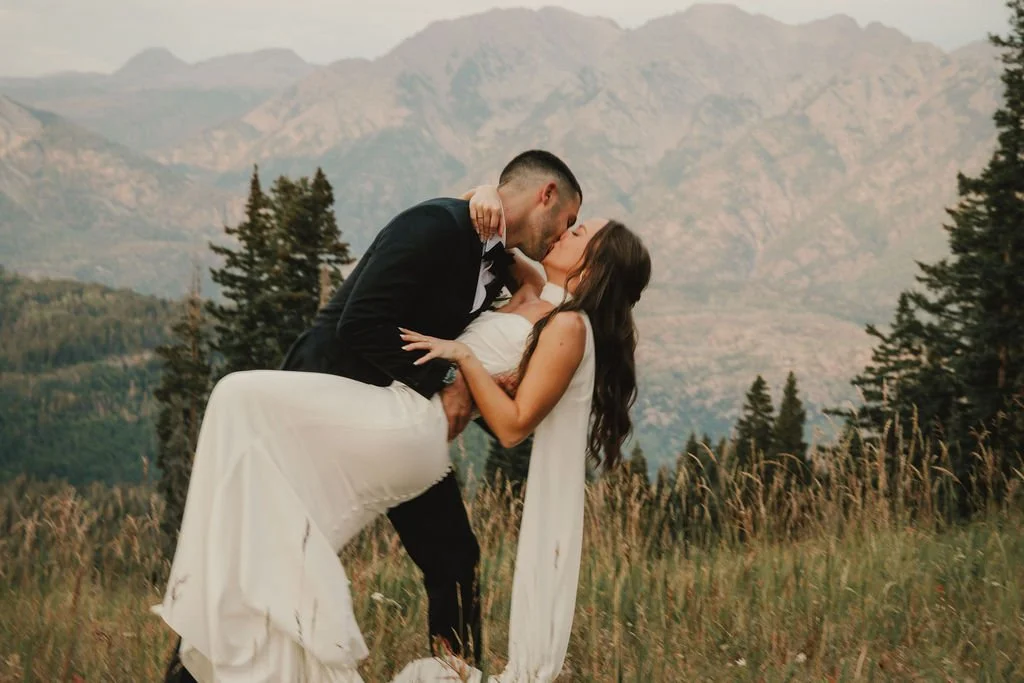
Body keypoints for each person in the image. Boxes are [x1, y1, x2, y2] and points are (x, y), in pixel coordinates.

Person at [154, 188, 651, 681]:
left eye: (579, 232)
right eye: (570, 221)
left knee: (239, 397)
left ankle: (217, 631)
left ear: (595, 266)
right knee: (280, 524)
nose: (567, 232)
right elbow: (497, 239)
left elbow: (513, 425)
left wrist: (464, 365)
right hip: (411, 415)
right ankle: (223, 657)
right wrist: (481, 195)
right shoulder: (537, 291)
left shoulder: (569, 326)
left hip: (414, 425)